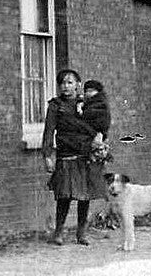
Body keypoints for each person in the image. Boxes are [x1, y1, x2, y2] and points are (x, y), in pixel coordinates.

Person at [42, 69, 107, 246]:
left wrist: (100, 139)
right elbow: (48, 132)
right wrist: (48, 155)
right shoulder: (55, 106)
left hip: (84, 154)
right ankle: (59, 232)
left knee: (84, 195)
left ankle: (81, 232)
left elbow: (100, 123)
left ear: (78, 84)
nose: (66, 86)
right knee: (64, 195)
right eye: (62, 83)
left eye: (70, 82)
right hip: (66, 154)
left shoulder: (86, 104)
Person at [78, 79, 112, 160]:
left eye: (91, 91)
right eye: (86, 91)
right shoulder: (89, 103)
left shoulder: (99, 103)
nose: (88, 93)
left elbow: (90, 115)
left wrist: (81, 111)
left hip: (96, 136)